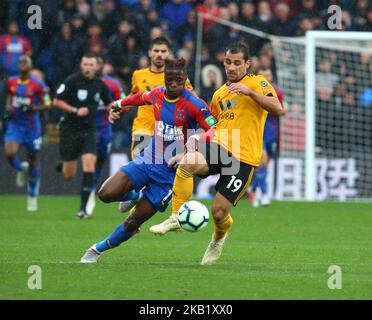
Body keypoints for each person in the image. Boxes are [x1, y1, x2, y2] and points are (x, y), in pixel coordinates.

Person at [150, 42, 284, 266]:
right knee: (188, 163)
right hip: (220, 148)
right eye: (228, 62)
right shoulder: (219, 94)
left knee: (219, 212)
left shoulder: (258, 82)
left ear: (247, 64)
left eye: (237, 63)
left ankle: (218, 238)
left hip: (244, 158)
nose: (232, 67)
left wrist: (249, 92)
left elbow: (277, 107)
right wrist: (188, 146)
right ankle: (175, 216)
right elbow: (213, 127)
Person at [80, 58, 217, 263]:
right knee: (105, 194)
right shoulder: (157, 94)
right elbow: (138, 98)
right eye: (170, 78)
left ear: (185, 79)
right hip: (147, 160)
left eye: (178, 79)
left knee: (133, 221)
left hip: (169, 177)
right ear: (164, 77)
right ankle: (134, 195)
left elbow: (215, 130)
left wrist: (195, 142)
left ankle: (96, 250)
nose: (173, 83)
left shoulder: (195, 104)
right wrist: (118, 104)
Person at [118, 36, 192, 213]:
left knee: (156, 176)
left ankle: (136, 208)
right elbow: (133, 96)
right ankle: (134, 204)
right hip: (142, 129)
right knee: (139, 167)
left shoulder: (176, 77)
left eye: (163, 51)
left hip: (166, 134)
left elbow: (191, 100)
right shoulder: (138, 75)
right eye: (156, 51)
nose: (159, 55)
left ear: (169, 54)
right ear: (150, 52)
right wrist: (120, 109)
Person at [53, 53, 113, 219]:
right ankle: (64, 163)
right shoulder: (72, 81)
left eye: (90, 64)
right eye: (85, 64)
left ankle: (83, 210)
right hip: (70, 129)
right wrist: (74, 110)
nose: (87, 67)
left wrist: (117, 108)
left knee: (89, 167)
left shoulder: (99, 85)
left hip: (89, 131)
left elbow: (109, 103)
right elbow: (56, 101)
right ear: (81, 65)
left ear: (96, 67)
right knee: (68, 175)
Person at [3, 55, 49, 211]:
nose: (22, 64)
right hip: (15, 125)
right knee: (10, 152)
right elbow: (8, 98)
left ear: (31, 65)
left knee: (34, 158)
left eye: (25, 62)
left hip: (32, 127)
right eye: (20, 62)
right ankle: (21, 169)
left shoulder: (38, 84)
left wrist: (33, 108)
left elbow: (47, 103)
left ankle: (32, 195)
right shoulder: (11, 81)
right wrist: (8, 108)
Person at [85, 57, 126, 214]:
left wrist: (116, 110)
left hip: (104, 129)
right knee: (89, 160)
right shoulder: (83, 83)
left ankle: (92, 188)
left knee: (99, 161)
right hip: (87, 129)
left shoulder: (112, 84)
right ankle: (88, 194)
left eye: (96, 64)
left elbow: (123, 102)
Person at [248, 67, 286, 207]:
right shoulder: (253, 91)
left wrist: (280, 109)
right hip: (258, 131)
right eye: (263, 75)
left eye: (268, 75)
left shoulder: (278, 91)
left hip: (272, 132)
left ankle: (253, 187)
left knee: (264, 165)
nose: (266, 77)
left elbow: (282, 108)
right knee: (262, 161)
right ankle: (264, 195)